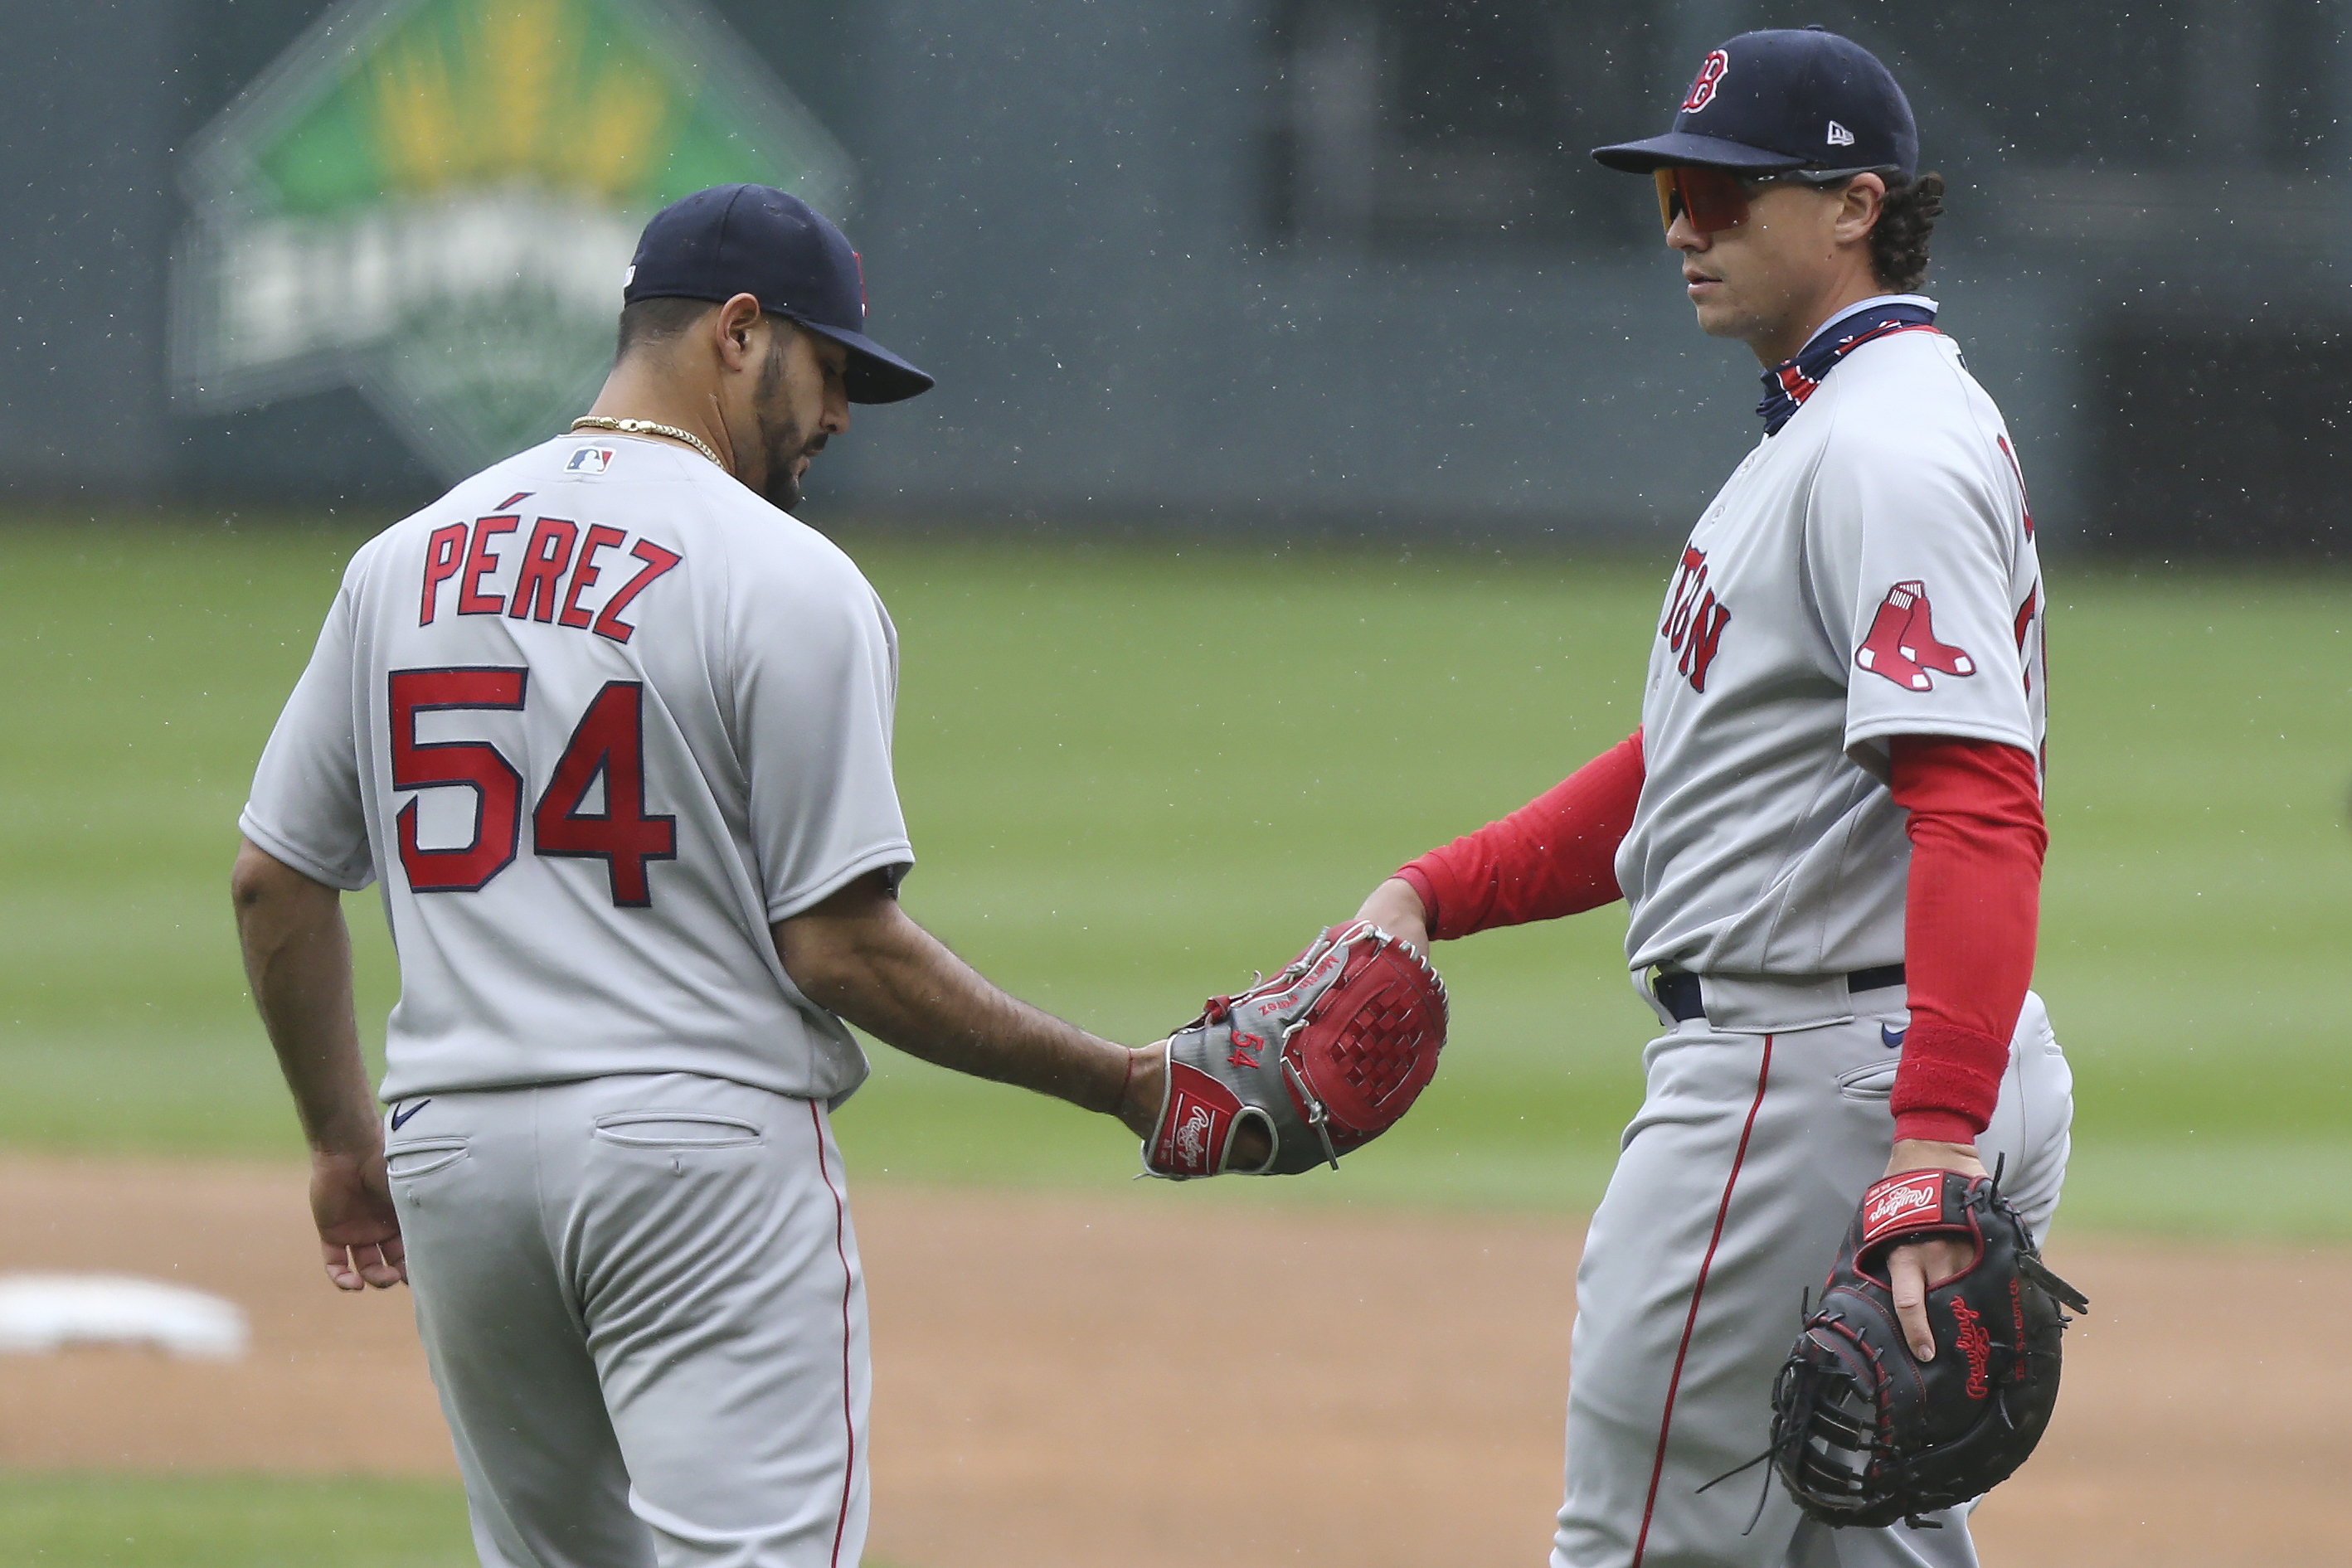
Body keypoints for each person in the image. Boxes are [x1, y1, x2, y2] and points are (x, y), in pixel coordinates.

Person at [230, 184, 1169, 1568]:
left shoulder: (400, 563)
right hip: (696, 1154)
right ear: (740, 334)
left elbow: (275, 881)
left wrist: (335, 1140)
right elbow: (840, 947)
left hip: (455, 1161)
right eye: (832, 369)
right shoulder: (785, 577)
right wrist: (1121, 1078)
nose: (841, 416)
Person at [1351, 31, 2072, 1567]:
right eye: (1675, 187)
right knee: (1870, 1547)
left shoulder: (1882, 447)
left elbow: (1978, 807)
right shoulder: (1846, 428)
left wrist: (1930, 1145)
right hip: (1877, 1057)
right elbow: (1695, 768)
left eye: (1728, 191)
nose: (1684, 220)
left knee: (1639, 1547)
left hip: (1808, 1081)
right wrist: (1439, 888)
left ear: (1855, 206)